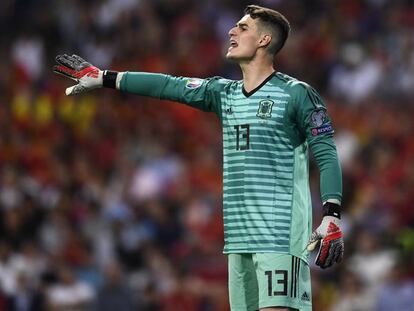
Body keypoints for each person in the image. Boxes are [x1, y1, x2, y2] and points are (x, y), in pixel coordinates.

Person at [53, 4, 343, 311]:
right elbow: (169, 85)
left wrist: (331, 215)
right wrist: (104, 77)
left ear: (264, 41)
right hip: (238, 237)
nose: (232, 31)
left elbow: (325, 152)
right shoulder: (224, 92)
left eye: (243, 28)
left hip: (279, 233)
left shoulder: (298, 94)